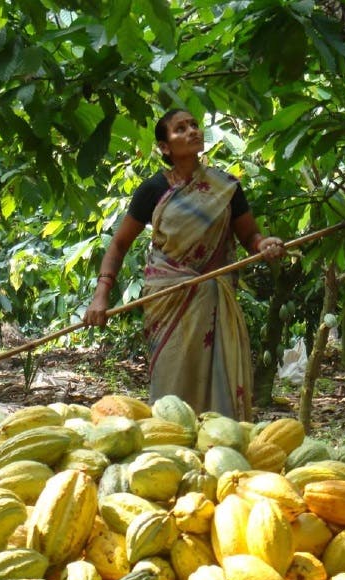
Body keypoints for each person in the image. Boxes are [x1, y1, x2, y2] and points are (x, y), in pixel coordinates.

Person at [84, 109, 285, 421]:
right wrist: (101, 294)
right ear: (165, 147)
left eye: (194, 125)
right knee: (171, 383)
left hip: (214, 299)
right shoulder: (152, 190)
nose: (192, 131)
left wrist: (264, 244)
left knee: (218, 384)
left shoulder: (226, 186)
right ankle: (169, 442)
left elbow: (250, 235)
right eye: (180, 129)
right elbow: (119, 244)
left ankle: (218, 445)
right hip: (167, 298)